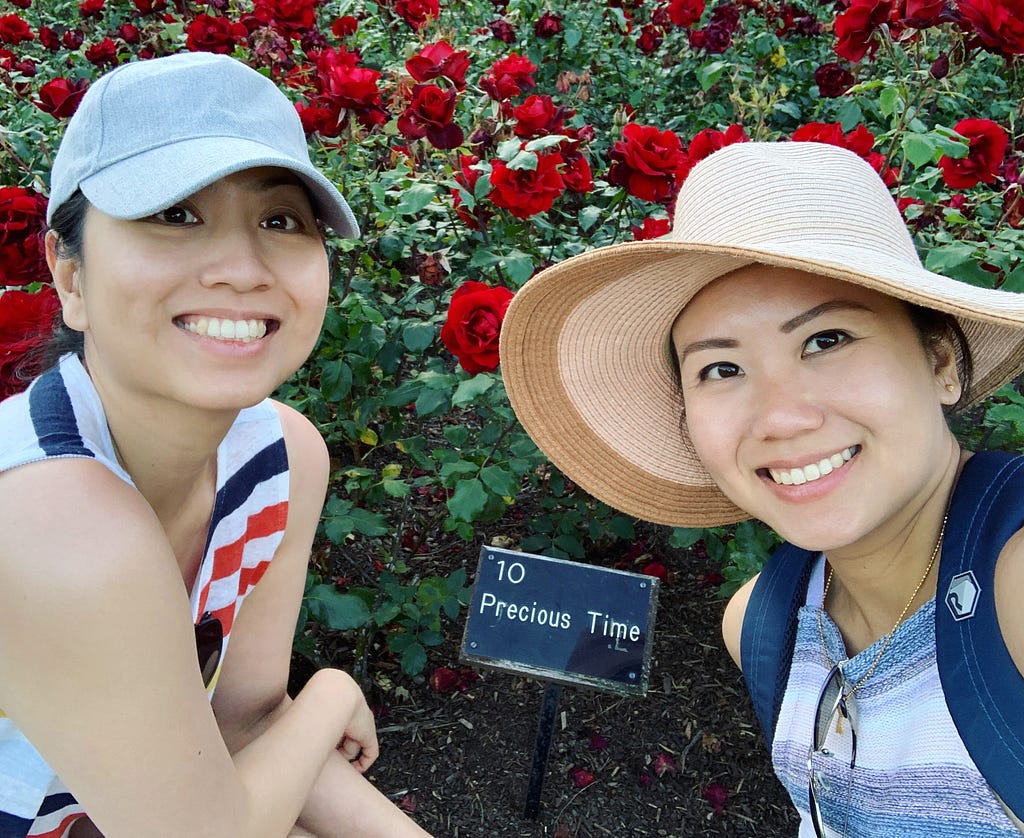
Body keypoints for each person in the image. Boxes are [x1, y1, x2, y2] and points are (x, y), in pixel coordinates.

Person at [499, 140, 1024, 836]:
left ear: (939, 364)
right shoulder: (764, 623)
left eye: (826, 340)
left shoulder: (1012, 590)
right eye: (720, 369)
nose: (781, 418)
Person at [0, 52, 431, 838]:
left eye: (279, 221)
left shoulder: (281, 460)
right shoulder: (44, 518)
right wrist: (331, 691)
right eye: (174, 215)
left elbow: (249, 721)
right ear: (70, 277)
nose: (240, 268)